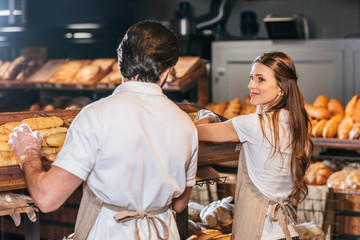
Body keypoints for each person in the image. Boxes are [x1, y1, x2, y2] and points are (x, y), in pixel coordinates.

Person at [9, 20, 198, 240]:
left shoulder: (95, 116)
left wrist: (29, 153)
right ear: (166, 72)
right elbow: (180, 204)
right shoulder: (186, 124)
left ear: (120, 64)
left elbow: (47, 198)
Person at [195, 52, 313, 240]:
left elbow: (195, 133)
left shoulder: (254, 124)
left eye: (260, 79)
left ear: (281, 88)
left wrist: (205, 116)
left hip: (258, 233)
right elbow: (255, 164)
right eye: (252, 78)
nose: (251, 85)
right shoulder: (295, 123)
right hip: (287, 232)